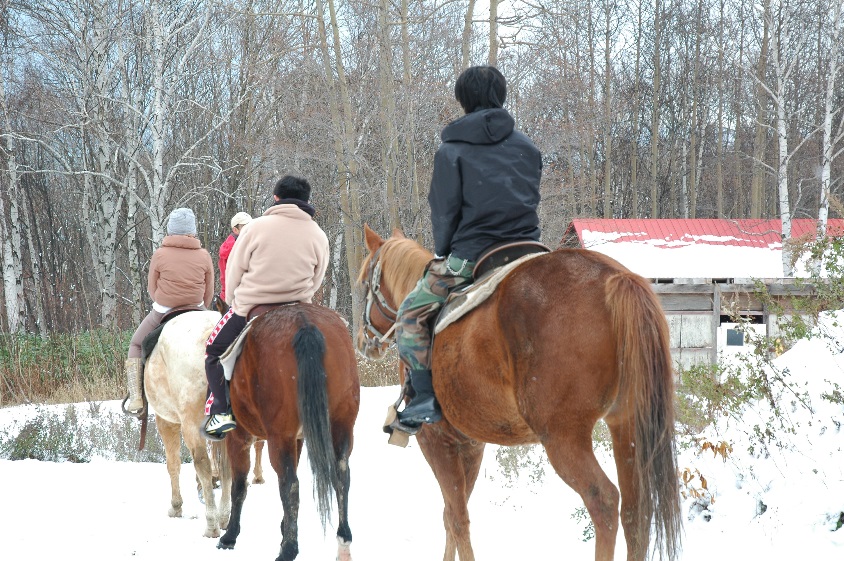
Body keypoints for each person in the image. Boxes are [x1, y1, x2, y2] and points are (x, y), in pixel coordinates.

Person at [395, 66, 543, 428]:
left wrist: (444, 248)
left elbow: (443, 210)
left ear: (462, 99)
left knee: (410, 316)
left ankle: (424, 398)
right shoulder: (528, 147)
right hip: (530, 252)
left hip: (473, 256)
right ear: (501, 96)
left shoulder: (452, 151)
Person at [202, 174, 330, 438]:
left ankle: (221, 411)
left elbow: (234, 272)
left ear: (276, 198)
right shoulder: (318, 234)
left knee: (213, 351)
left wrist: (237, 301)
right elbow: (318, 278)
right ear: (306, 201)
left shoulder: (254, 228)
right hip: (299, 305)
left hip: (252, 306)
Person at [123, 207, 215, 415]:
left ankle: (137, 397)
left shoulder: (160, 254)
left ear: (170, 230)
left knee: (136, 343)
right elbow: (209, 291)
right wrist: (200, 306)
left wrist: (164, 302)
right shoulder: (204, 255)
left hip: (164, 309)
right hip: (197, 308)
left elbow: (151, 288)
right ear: (192, 231)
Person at [218, 211, 252, 301]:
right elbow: (228, 277)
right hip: (235, 296)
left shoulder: (247, 243)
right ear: (235, 230)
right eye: (245, 226)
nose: (249, 229)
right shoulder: (232, 248)